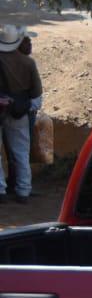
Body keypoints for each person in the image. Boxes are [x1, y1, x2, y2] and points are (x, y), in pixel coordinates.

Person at [0, 25, 42, 204]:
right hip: (19, 110)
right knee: (21, 153)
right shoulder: (28, 63)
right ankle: (23, 190)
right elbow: (36, 92)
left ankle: (0, 190)